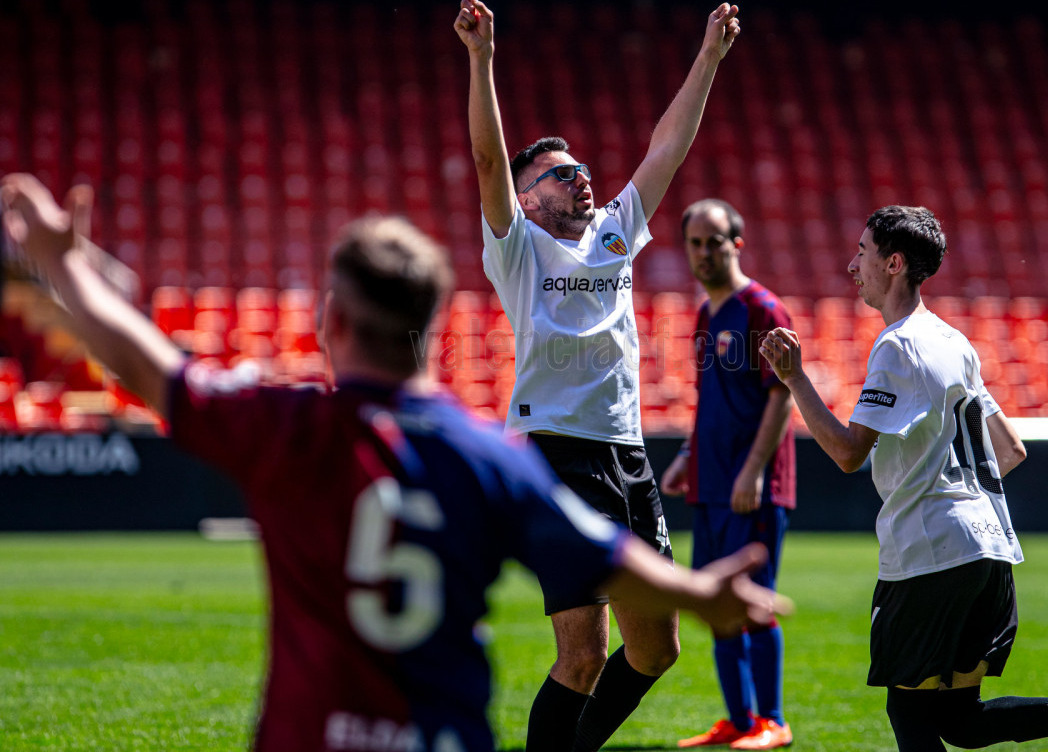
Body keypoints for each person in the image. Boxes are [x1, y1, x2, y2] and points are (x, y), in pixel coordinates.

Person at [0, 172, 788, 752]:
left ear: (332, 320)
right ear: (436, 322)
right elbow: (609, 556)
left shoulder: (286, 427)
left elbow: (153, 370)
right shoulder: (487, 456)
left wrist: (64, 268)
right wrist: (701, 594)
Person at [758, 204, 1048, 752]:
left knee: (908, 710)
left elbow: (849, 453)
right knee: (958, 719)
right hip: (991, 548)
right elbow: (1010, 448)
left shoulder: (898, 344)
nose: (853, 266)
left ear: (894, 263)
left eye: (862, 252)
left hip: (931, 552)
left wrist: (794, 378)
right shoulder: (955, 343)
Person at [454, 0, 741, 752]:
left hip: (627, 452)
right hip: (557, 452)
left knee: (656, 650)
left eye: (583, 168)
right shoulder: (516, 247)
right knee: (581, 656)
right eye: (561, 174)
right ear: (526, 199)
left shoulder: (614, 232)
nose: (582, 177)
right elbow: (487, 159)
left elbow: (667, 147)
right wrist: (482, 58)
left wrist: (708, 57)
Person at [659, 199, 795, 750]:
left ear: (736, 244)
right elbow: (710, 400)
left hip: (749, 487)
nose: (703, 252)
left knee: (754, 601)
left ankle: (773, 722)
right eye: (694, 243)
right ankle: (739, 722)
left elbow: (782, 396)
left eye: (714, 241)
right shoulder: (705, 315)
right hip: (709, 481)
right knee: (715, 604)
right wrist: (686, 457)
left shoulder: (763, 309)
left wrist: (753, 472)